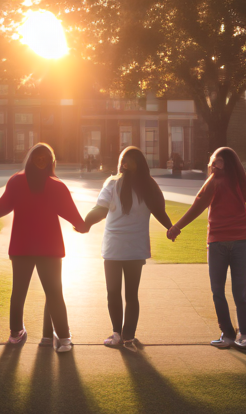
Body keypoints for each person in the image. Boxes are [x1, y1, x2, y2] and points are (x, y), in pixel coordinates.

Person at [0, 143, 85, 353]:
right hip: (49, 248)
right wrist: (85, 225)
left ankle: (16, 333)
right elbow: (77, 221)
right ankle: (64, 339)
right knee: (54, 293)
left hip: (21, 247)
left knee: (18, 292)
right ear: (53, 162)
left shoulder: (16, 181)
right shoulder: (56, 185)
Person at [83, 147, 173, 350]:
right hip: (135, 248)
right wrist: (170, 228)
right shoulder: (148, 185)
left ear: (122, 164)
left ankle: (117, 335)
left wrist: (85, 223)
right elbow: (159, 211)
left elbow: (100, 210)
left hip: (114, 248)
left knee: (113, 293)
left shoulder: (113, 183)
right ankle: (128, 336)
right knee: (131, 295)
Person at [167, 147, 246, 351]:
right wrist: (177, 227)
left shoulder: (237, 181)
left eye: (219, 162)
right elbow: (197, 206)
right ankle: (228, 334)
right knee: (218, 291)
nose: (213, 165)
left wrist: (237, 174)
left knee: (240, 291)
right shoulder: (212, 182)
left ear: (229, 164)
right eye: (212, 162)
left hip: (241, 241)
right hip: (217, 242)